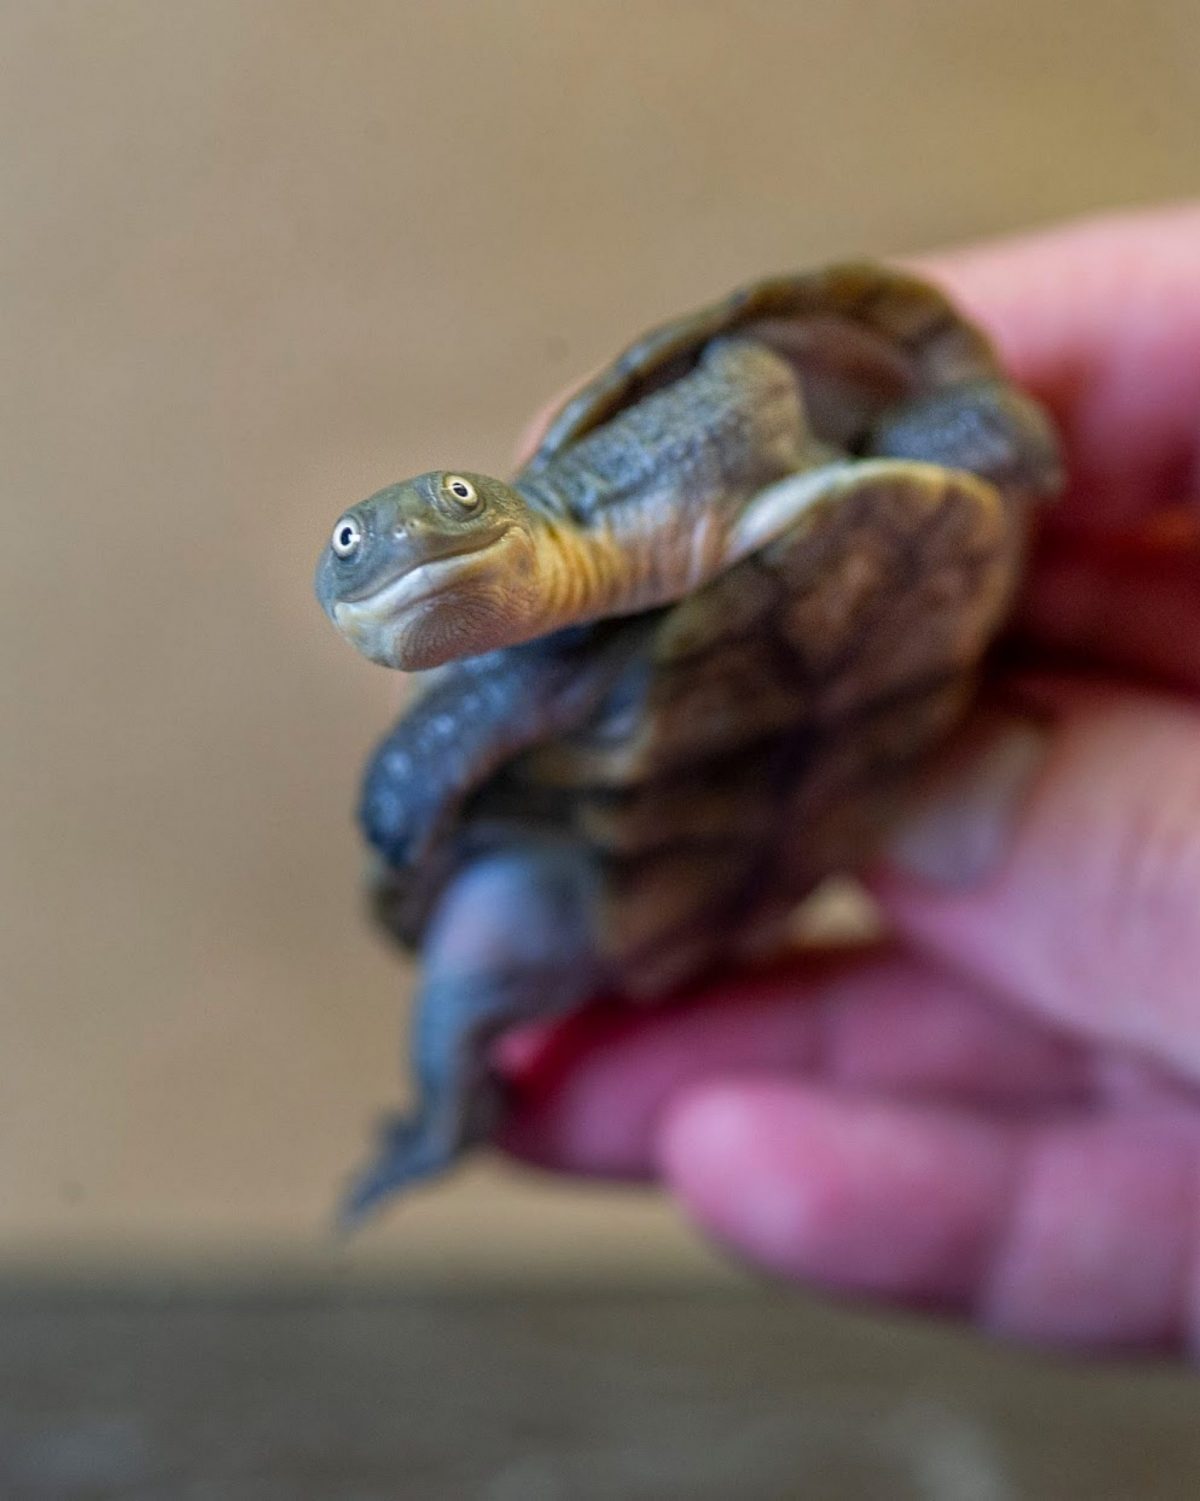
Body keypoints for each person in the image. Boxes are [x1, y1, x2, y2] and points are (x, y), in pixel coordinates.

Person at [495, 205, 1200, 1355]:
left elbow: (755, 378)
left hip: (918, 558)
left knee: (962, 431)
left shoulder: (716, 422)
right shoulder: (553, 629)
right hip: (776, 747)